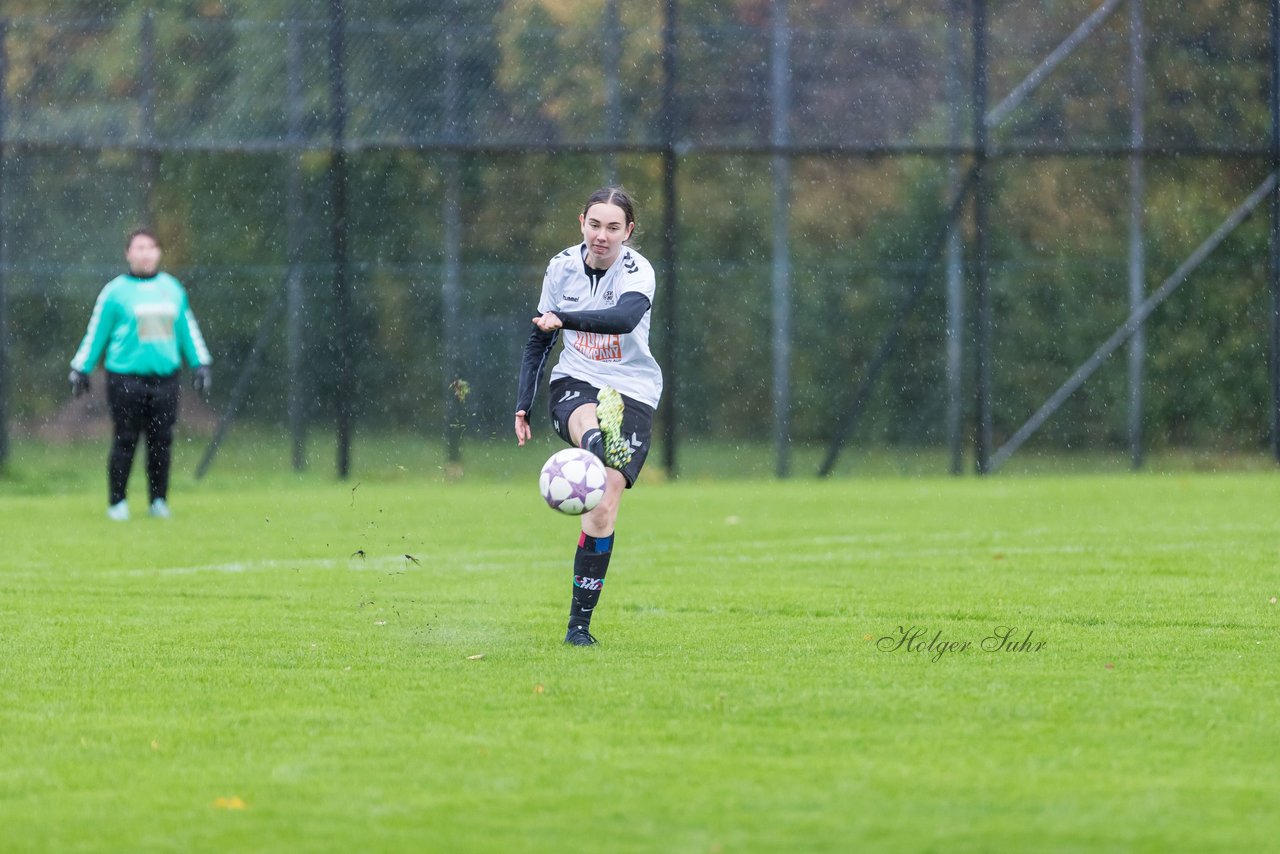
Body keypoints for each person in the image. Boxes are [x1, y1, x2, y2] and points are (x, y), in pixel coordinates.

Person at [514, 187, 663, 646]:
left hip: (632, 386)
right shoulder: (561, 267)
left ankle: (579, 627)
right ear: (581, 222)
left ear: (628, 231)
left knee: (601, 509)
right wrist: (523, 401)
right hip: (576, 377)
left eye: (613, 227)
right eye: (595, 224)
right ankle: (598, 442)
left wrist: (564, 318)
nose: (602, 235)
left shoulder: (639, 272)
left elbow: (622, 318)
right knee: (586, 416)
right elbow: (540, 339)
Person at [68, 228, 212, 521]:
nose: (145, 253)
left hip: (165, 379)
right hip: (125, 379)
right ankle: (117, 502)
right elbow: (97, 332)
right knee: (125, 439)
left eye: (150, 247)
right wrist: (80, 367)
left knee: (161, 441)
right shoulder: (115, 292)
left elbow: (187, 330)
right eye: (139, 247)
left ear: (158, 252)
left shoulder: (172, 289)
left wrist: (201, 364)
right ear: (128, 254)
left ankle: (158, 501)